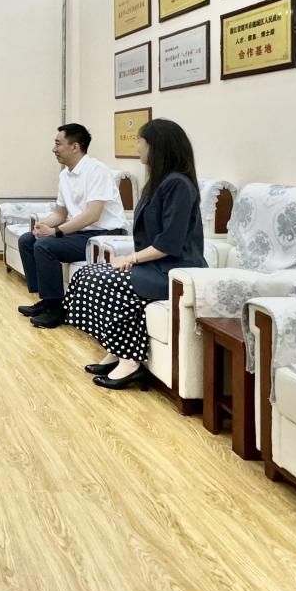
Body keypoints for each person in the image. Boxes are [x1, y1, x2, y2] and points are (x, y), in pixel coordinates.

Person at [62, 118, 207, 390]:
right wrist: (134, 260)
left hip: (175, 272)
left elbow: (169, 244)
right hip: (155, 267)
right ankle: (117, 350)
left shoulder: (178, 185)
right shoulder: (159, 182)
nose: (137, 146)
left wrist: (131, 259)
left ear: (157, 146)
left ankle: (129, 361)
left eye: (141, 141)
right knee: (87, 274)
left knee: (104, 281)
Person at [18, 124, 128, 328]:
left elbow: (92, 215)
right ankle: (46, 301)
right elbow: (60, 213)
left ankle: (56, 309)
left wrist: (55, 232)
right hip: (81, 233)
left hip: (103, 235)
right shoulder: (65, 175)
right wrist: (42, 226)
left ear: (75, 147)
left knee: (45, 246)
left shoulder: (97, 170)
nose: (54, 149)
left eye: (58, 144)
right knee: (27, 240)